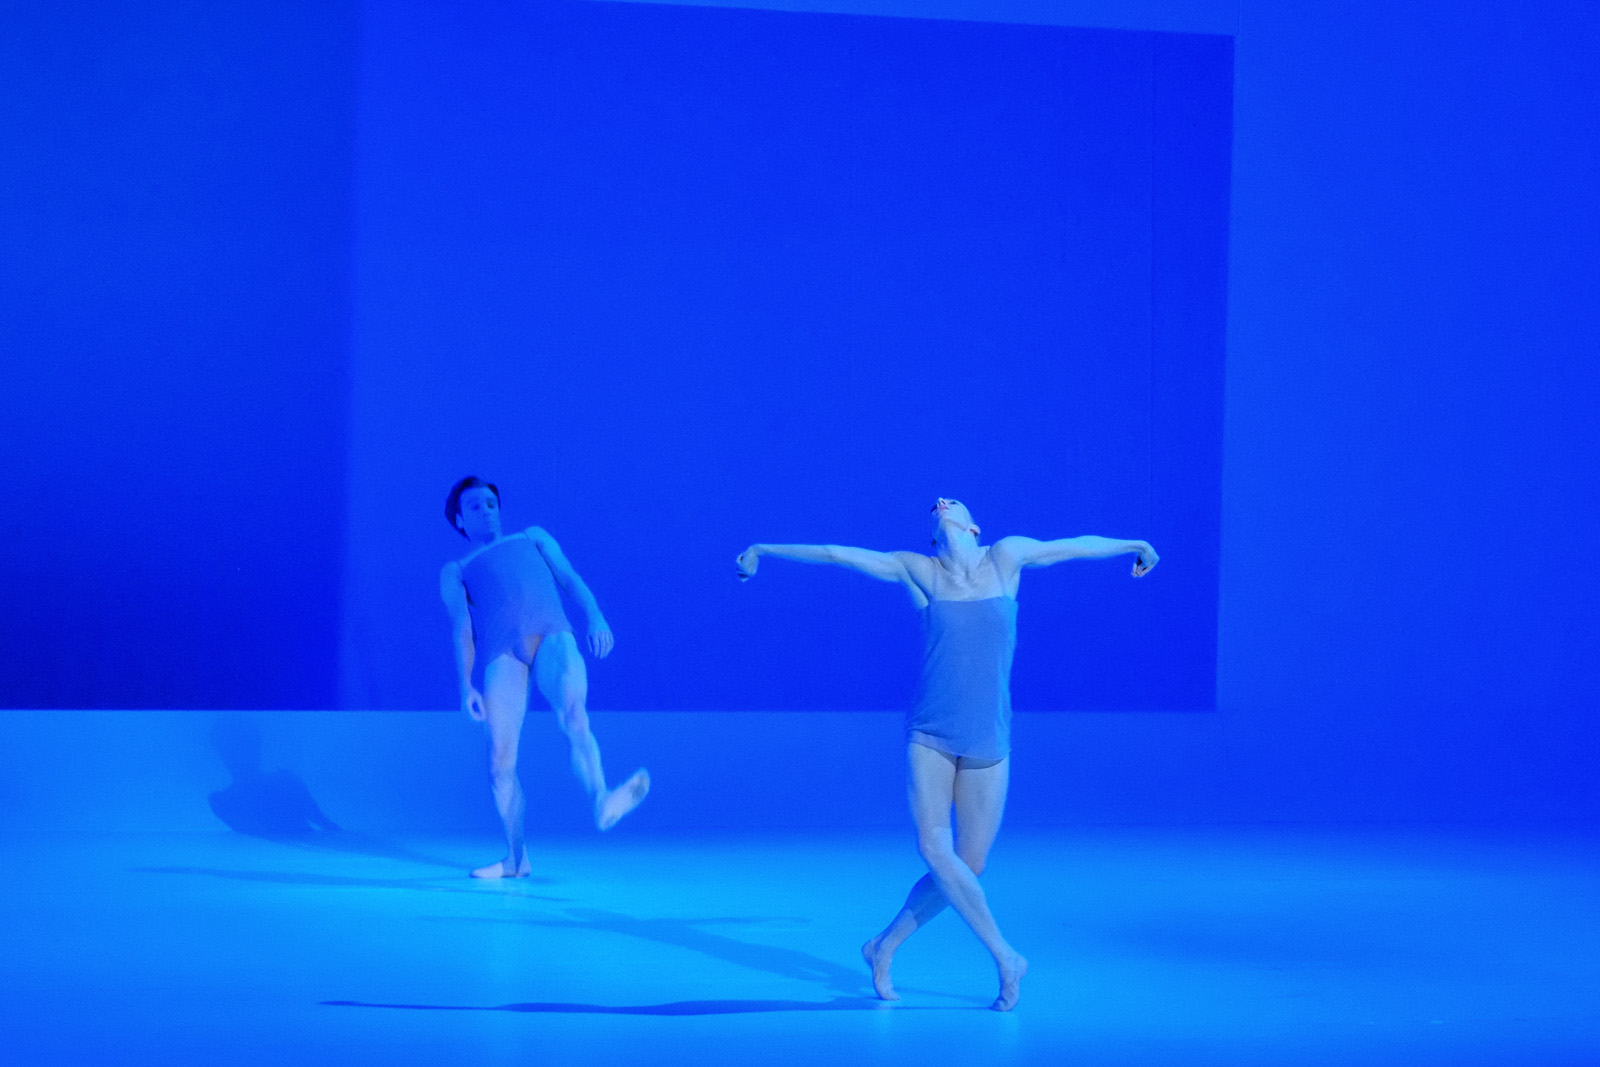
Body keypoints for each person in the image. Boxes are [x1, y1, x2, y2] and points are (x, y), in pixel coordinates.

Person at [736, 499, 1158, 1011]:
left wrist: (1135, 545)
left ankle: (882, 946)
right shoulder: (920, 570)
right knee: (935, 848)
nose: (941, 502)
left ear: (974, 525)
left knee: (970, 864)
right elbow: (836, 554)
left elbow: (1072, 546)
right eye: (935, 507)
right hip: (930, 735)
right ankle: (1006, 957)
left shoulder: (1006, 557)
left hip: (989, 740)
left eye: (952, 501)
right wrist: (762, 549)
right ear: (935, 535)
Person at [440, 476, 649, 879]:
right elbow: (462, 629)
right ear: (461, 521)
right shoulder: (456, 570)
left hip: (553, 634)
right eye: (475, 506)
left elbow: (569, 578)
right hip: (503, 655)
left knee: (574, 714)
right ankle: (516, 860)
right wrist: (465, 685)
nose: (486, 510)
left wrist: (596, 616)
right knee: (500, 763)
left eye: (490, 502)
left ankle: (603, 798)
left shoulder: (532, 536)